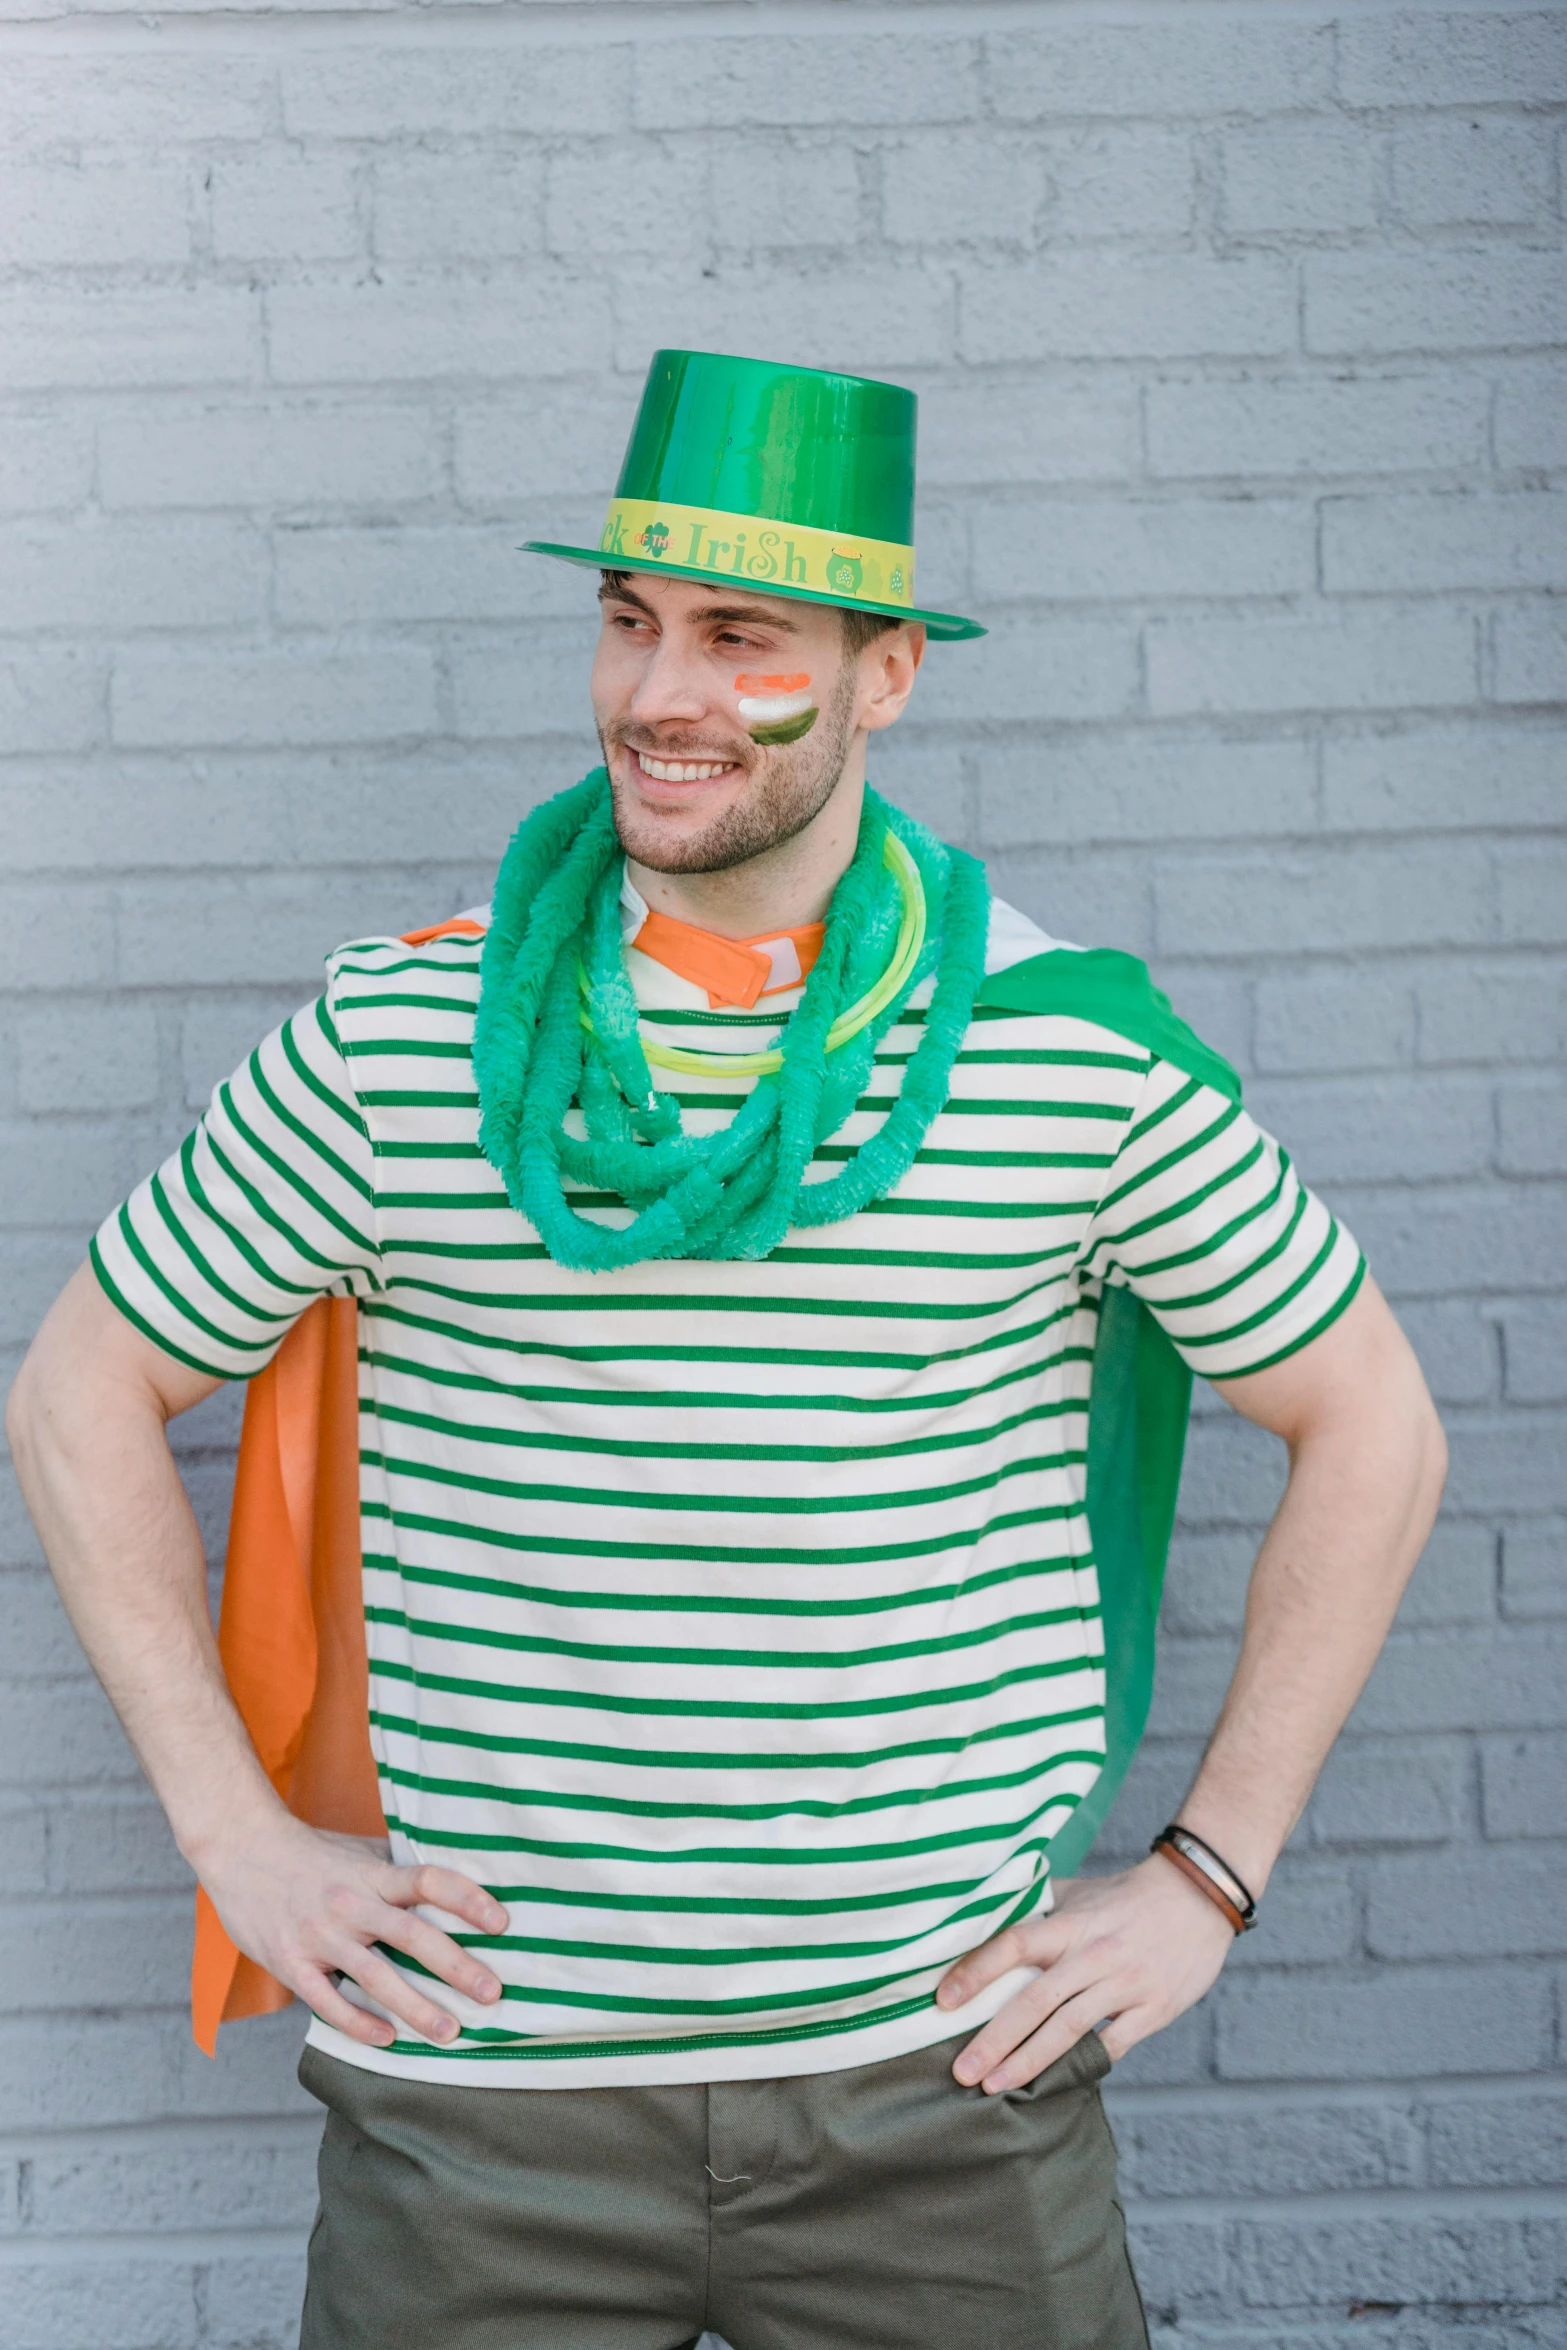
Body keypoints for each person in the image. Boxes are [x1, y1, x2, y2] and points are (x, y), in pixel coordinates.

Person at [8, 350, 1446, 2350]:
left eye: (741, 634)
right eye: (629, 622)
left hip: (946, 2100)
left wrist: (1209, 1873)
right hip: (483, 2110)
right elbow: (80, 1379)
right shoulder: (402, 1042)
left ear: (885, 676)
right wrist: (234, 1830)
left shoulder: (1070, 1055)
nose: (662, 693)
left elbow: (1370, 1412)